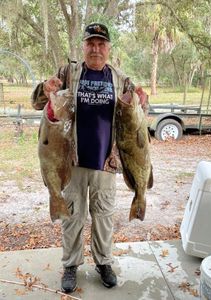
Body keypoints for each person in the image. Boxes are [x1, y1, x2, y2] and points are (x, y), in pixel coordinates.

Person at [31, 23, 147, 293]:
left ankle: (103, 262)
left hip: (106, 164)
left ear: (108, 48)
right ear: (83, 46)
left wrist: (142, 98)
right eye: (90, 44)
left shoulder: (121, 78)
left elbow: (137, 115)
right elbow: (38, 101)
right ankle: (71, 265)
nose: (96, 49)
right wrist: (43, 88)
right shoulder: (68, 73)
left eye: (101, 44)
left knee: (104, 216)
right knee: (72, 216)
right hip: (70, 161)